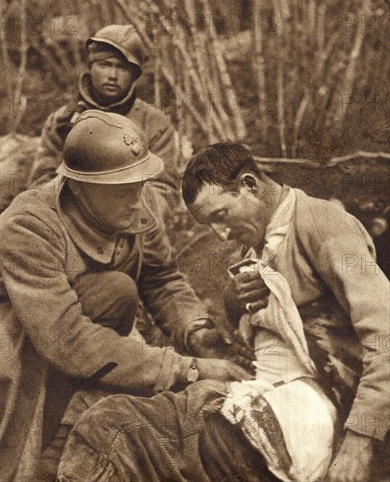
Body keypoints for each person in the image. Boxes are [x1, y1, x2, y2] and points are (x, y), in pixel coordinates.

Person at [56, 142, 390, 482]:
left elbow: (385, 332)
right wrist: (235, 301)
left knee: (112, 427)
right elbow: (257, 327)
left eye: (221, 216)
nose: (221, 233)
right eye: (210, 224)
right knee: (93, 406)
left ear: (249, 185)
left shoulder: (323, 225)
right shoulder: (255, 241)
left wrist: (361, 440)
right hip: (266, 387)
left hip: (313, 406)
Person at [0, 118, 250, 481]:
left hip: (65, 315)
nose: (138, 201)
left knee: (118, 289)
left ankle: (65, 417)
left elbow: (161, 278)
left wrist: (197, 331)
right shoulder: (28, 223)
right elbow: (66, 339)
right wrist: (185, 368)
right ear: (79, 186)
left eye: (139, 185)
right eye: (122, 190)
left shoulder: (137, 203)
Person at [28, 24, 179, 219]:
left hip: (133, 227)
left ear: (134, 75)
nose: (112, 76)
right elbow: (40, 184)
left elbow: (164, 191)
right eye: (105, 64)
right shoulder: (62, 121)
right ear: (90, 67)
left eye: (122, 67)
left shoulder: (155, 124)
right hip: (71, 224)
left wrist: (122, 212)